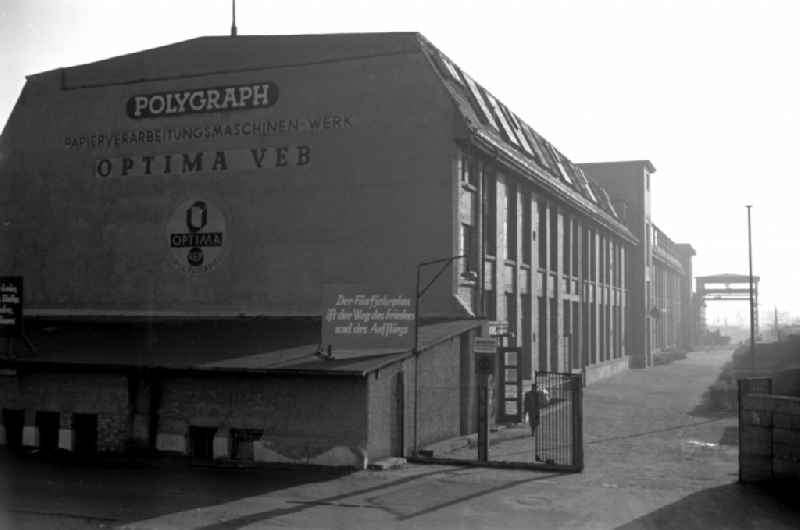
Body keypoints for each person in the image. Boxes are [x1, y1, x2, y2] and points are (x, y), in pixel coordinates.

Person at [524, 383, 547, 462]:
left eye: (536, 388)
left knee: (537, 422)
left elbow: (544, 401)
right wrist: (525, 411)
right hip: (531, 410)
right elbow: (526, 402)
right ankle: (533, 431)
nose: (535, 389)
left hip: (537, 410)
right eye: (534, 388)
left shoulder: (539, 393)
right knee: (532, 421)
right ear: (532, 388)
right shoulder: (528, 394)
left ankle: (534, 430)